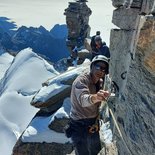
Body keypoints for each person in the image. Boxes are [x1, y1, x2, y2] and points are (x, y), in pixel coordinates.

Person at [70, 55, 111, 155]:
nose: (100, 71)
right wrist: (96, 97)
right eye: (98, 67)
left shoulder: (100, 82)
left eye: (103, 69)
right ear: (92, 66)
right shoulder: (81, 81)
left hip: (92, 121)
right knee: (82, 151)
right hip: (79, 122)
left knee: (95, 149)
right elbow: (83, 100)